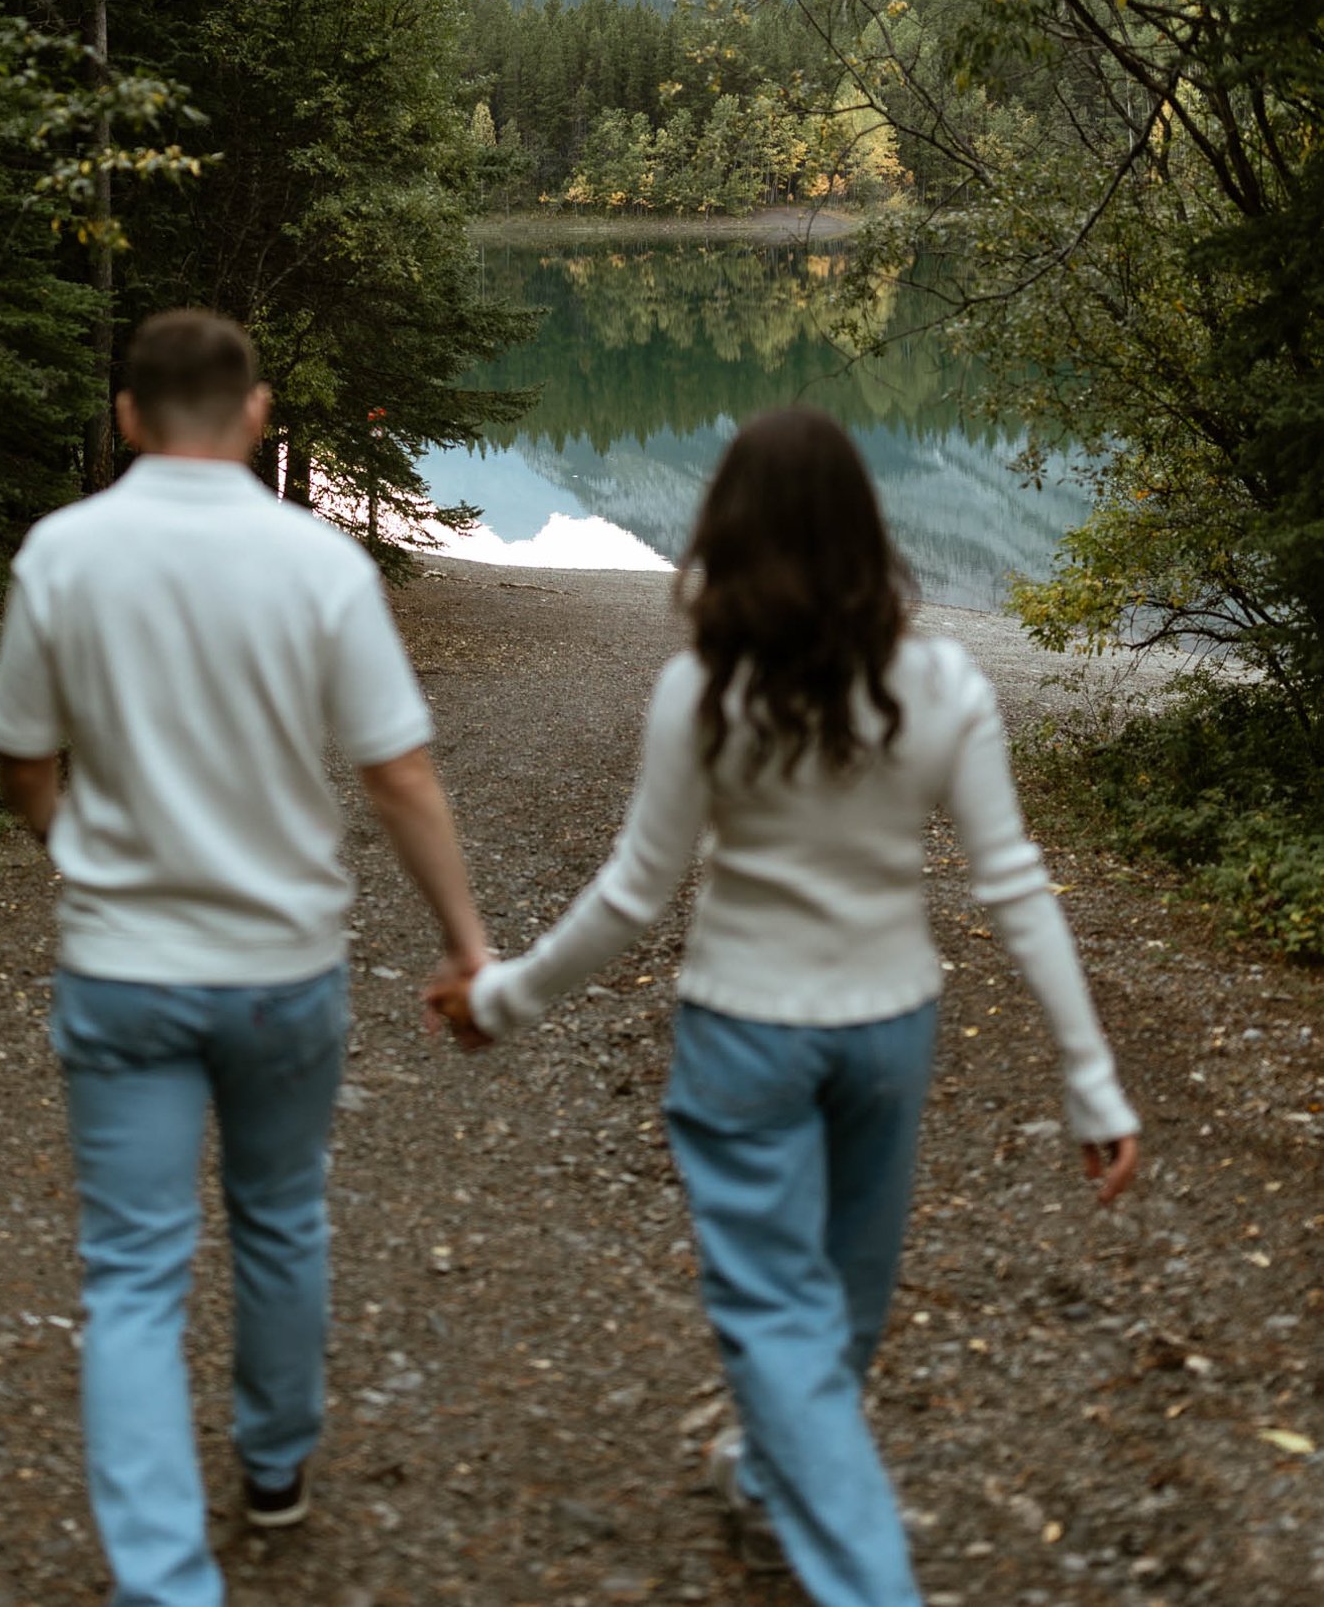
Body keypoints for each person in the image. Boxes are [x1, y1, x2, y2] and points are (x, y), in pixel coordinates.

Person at [428, 405, 1139, 1607]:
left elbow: (632, 896)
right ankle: (769, 1482)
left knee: (779, 1318)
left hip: (743, 1034)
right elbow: (1011, 885)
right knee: (843, 1301)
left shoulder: (703, 689)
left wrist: (504, 994)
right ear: (869, 532)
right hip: (885, 1034)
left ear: (725, 533)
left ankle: (858, 1570)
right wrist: (1089, 1079)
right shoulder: (942, 684)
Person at [0, 308, 488, 1607]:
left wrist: (70, 843)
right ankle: (273, 1468)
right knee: (277, 1220)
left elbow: (23, 756)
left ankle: (163, 1582)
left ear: (127, 419)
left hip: (122, 967)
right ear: (255, 412)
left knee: (135, 1274)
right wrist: (462, 939)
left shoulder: (61, 554)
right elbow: (395, 771)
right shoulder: (314, 567)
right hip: (280, 971)